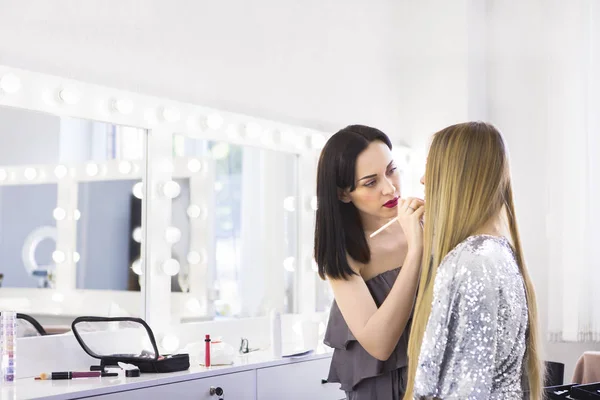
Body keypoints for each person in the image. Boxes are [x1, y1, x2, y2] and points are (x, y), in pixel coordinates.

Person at [405, 121, 543, 399]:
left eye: (431, 168)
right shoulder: (498, 254)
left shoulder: (470, 265)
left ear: (458, 177)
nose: (423, 180)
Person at [315, 124, 424, 399]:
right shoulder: (344, 257)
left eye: (391, 170)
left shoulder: (424, 221)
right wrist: (415, 251)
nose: (390, 188)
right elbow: (379, 345)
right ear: (343, 193)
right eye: (370, 182)